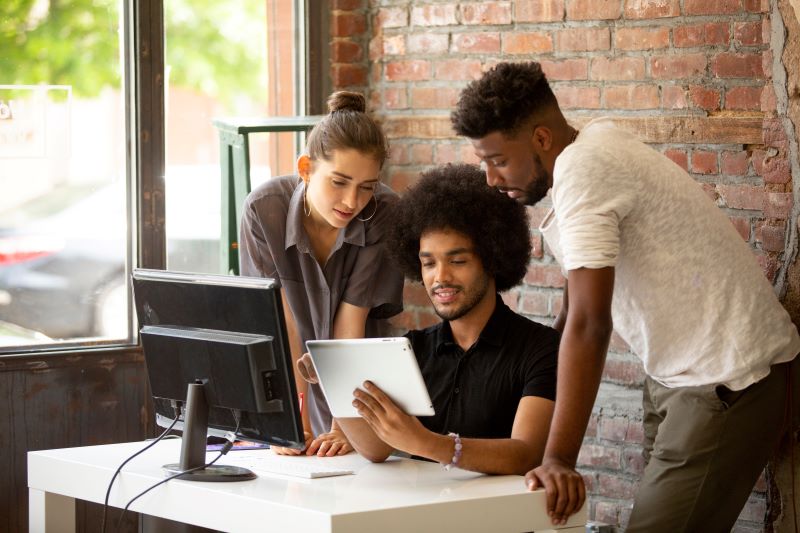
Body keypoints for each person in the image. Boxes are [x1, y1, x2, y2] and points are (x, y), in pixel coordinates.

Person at [451, 61, 800, 531]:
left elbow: (591, 324)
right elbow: (572, 309)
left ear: (540, 139)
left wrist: (557, 457)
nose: (490, 178)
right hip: (675, 377)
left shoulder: (584, 169)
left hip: (728, 379)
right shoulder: (592, 143)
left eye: (497, 160)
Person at [327, 163, 560, 475]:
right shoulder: (411, 349)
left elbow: (526, 454)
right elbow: (376, 449)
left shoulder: (540, 349)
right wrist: (331, 375)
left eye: (458, 260)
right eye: (428, 263)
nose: (440, 277)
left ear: (493, 258)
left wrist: (425, 442)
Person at [239, 91, 404, 456]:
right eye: (339, 182)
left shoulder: (385, 213)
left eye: (366, 187)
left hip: (363, 383)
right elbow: (284, 323)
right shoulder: (264, 209)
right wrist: (294, 421)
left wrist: (344, 425)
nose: (351, 202)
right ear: (305, 169)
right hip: (293, 379)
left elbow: (351, 324)